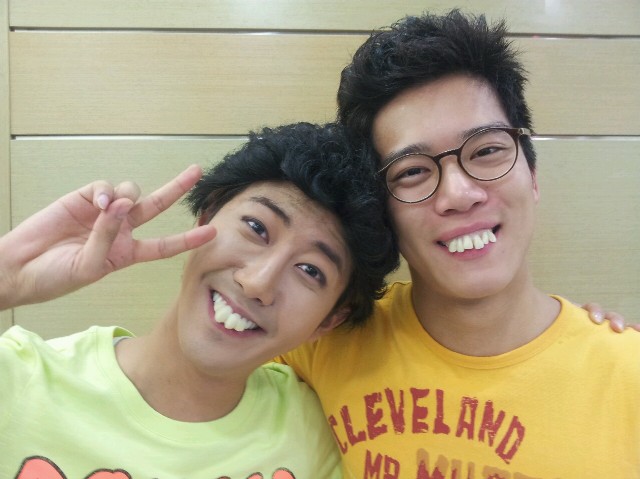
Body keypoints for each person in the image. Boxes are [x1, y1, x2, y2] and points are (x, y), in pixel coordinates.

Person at [278, 10, 640, 478]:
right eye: (412, 171)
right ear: (380, 209)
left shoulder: (627, 374)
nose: (459, 194)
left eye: (487, 151)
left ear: (532, 174)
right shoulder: (324, 339)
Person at [0, 122, 399, 478]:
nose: (257, 283)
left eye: (311, 270)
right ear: (206, 217)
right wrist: (6, 280)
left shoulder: (316, 438)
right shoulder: (19, 376)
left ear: (329, 320)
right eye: (257, 228)